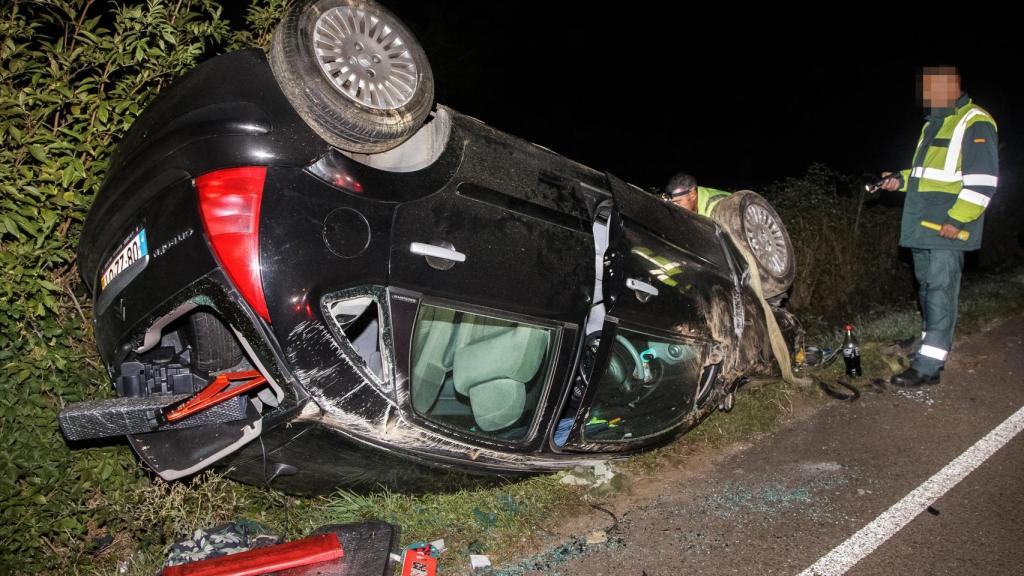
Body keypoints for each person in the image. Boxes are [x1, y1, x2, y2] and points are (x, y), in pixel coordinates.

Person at [879, 66, 999, 387]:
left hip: (947, 225)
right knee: (927, 286)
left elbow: (984, 181)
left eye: (932, 89)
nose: (926, 96)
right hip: (923, 223)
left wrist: (957, 219)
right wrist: (897, 180)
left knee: (941, 290)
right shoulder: (935, 123)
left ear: (954, 86)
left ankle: (929, 366)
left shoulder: (975, 121)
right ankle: (926, 342)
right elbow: (926, 174)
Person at [663, 172, 731, 217]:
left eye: (678, 202)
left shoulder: (718, 207)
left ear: (692, 195)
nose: (676, 207)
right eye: (673, 204)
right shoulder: (693, 204)